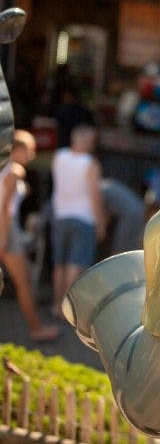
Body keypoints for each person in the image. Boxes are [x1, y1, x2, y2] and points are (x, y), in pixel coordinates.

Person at [0, 130, 60, 341]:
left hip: (7, 228)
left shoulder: (4, 167)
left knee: (22, 279)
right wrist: (4, 239)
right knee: (23, 283)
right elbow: (6, 208)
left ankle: (36, 327)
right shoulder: (15, 170)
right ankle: (36, 329)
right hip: (7, 229)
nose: (32, 156)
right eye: (30, 150)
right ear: (17, 149)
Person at [50, 124, 106, 317]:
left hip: (61, 215)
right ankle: (68, 309)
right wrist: (101, 222)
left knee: (59, 264)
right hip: (83, 217)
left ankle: (56, 305)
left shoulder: (59, 157)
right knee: (76, 263)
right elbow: (95, 196)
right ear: (88, 142)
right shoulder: (90, 163)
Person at [100, 178, 146, 257]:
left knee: (122, 252)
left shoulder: (99, 191)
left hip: (131, 215)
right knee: (132, 249)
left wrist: (101, 230)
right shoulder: (107, 185)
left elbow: (103, 216)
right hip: (139, 211)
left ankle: (116, 267)